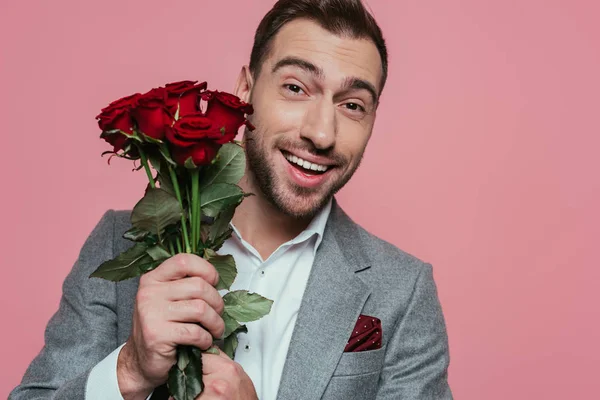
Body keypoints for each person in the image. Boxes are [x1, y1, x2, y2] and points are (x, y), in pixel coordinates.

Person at [10, 0, 453, 399]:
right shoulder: (116, 243)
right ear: (245, 90)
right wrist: (128, 371)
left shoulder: (404, 291)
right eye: (296, 88)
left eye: (353, 105)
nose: (322, 133)